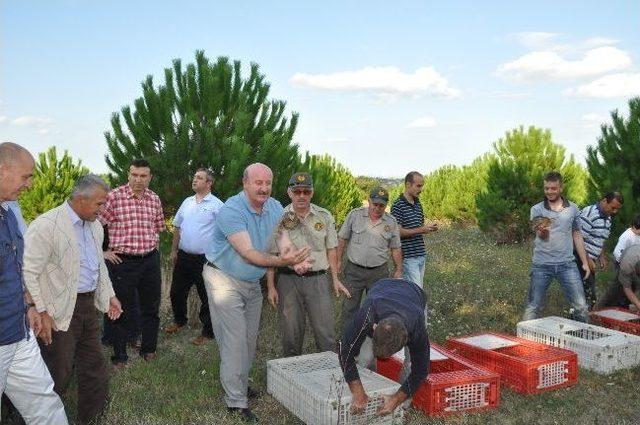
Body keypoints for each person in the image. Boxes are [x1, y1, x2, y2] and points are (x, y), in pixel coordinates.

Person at [203, 163, 310, 423]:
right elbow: (250, 254)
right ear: (245, 183)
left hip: (251, 283)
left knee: (249, 340)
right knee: (235, 340)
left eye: (268, 183)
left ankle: (239, 383)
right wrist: (284, 263)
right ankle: (236, 401)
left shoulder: (274, 207)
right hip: (223, 278)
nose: (263, 188)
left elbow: (282, 239)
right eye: (257, 183)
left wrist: (294, 259)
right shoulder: (231, 210)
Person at [22, 174, 123, 424]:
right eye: (99, 204)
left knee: (95, 369)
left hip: (89, 308)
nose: (103, 209)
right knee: (57, 371)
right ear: (80, 199)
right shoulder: (47, 225)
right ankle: (32, 418)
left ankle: (92, 419)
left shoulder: (95, 226)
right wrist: (40, 310)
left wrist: (109, 295)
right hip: (56, 312)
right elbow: (28, 272)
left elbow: (97, 265)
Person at [0, 142, 68, 424]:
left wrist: (29, 305)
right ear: (2, 170)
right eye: (25, 176)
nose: (29, 185)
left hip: (18, 331)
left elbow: (16, 268)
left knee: (44, 403)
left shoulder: (8, 215)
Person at [266, 172, 351, 357]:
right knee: (291, 335)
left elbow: (332, 250)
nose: (302, 196)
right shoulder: (279, 218)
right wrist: (271, 286)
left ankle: (329, 378)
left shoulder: (324, 216)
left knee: (325, 333)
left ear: (312, 193)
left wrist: (335, 279)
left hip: (318, 280)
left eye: (306, 191)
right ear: (290, 193)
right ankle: (292, 380)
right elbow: (272, 254)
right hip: (288, 282)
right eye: (297, 192)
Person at [98, 158, 165, 368]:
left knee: (151, 307)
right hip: (123, 262)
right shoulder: (114, 197)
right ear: (128, 174)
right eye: (134, 175)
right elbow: (93, 225)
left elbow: (158, 228)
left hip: (150, 261)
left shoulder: (154, 199)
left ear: (150, 177)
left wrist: (154, 252)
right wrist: (103, 252)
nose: (138, 179)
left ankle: (149, 348)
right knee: (119, 308)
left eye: (143, 176)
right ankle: (119, 355)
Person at [339, 278, 429, 417]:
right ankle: (367, 393)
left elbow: (421, 370)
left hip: (414, 294)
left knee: (410, 364)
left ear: (405, 341)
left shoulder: (416, 326)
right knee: (365, 358)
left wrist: (396, 399)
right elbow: (344, 350)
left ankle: (400, 408)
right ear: (374, 329)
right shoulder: (367, 314)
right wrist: (357, 391)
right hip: (381, 288)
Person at [165, 168, 223, 345]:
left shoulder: (217, 205)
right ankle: (180, 321)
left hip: (205, 260)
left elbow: (226, 232)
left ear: (209, 183)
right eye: (194, 177)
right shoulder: (187, 202)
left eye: (199, 178)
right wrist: (174, 250)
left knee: (207, 297)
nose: (194, 180)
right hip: (183, 257)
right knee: (176, 292)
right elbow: (177, 227)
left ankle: (207, 332)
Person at [523, 171, 591, 322]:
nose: (549, 192)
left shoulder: (573, 208)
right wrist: (543, 232)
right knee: (533, 306)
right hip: (541, 265)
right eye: (546, 188)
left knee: (581, 306)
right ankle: (523, 343)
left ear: (561, 188)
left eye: (553, 188)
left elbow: (577, 235)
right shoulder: (536, 209)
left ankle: (583, 340)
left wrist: (585, 262)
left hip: (567, 264)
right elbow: (542, 236)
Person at [337, 186, 402, 331]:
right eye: (375, 204)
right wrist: (338, 260)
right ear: (369, 201)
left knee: (376, 308)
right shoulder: (355, 215)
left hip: (378, 273)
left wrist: (399, 269)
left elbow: (396, 247)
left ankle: (372, 342)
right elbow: (342, 239)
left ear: (386, 206)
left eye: (381, 205)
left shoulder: (391, 222)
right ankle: (347, 342)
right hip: (354, 271)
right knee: (349, 307)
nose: (377, 208)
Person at [574, 192, 623, 308]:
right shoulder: (590, 213)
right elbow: (577, 239)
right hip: (578, 258)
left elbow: (600, 238)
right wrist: (587, 260)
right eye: (613, 207)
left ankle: (580, 319)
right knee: (588, 296)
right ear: (605, 201)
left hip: (589, 260)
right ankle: (578, 321)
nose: (615, 211)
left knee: (587, 296)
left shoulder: (608, 217)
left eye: (617, 209)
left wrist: (601, 256)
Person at [391, 171, 437, 286]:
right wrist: (422, 230)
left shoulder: (418, 204)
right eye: (418, 186)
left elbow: (419, 227)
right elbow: (398, 232)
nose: (421, 189)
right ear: (408, 185)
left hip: (421, 255)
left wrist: (429, 228)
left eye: (422, 186)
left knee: (417, 290)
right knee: (414, 292)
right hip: (408, 258)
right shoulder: (398, 205)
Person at [597, 217, 640, 309]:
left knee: (632, 286)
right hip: (622, 264)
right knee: (617, 287)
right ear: (633, 227)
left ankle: (623, 306)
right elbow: (617, 252)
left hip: (634, 266)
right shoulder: (627, 236)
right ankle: (601, 307)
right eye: (638, 230)